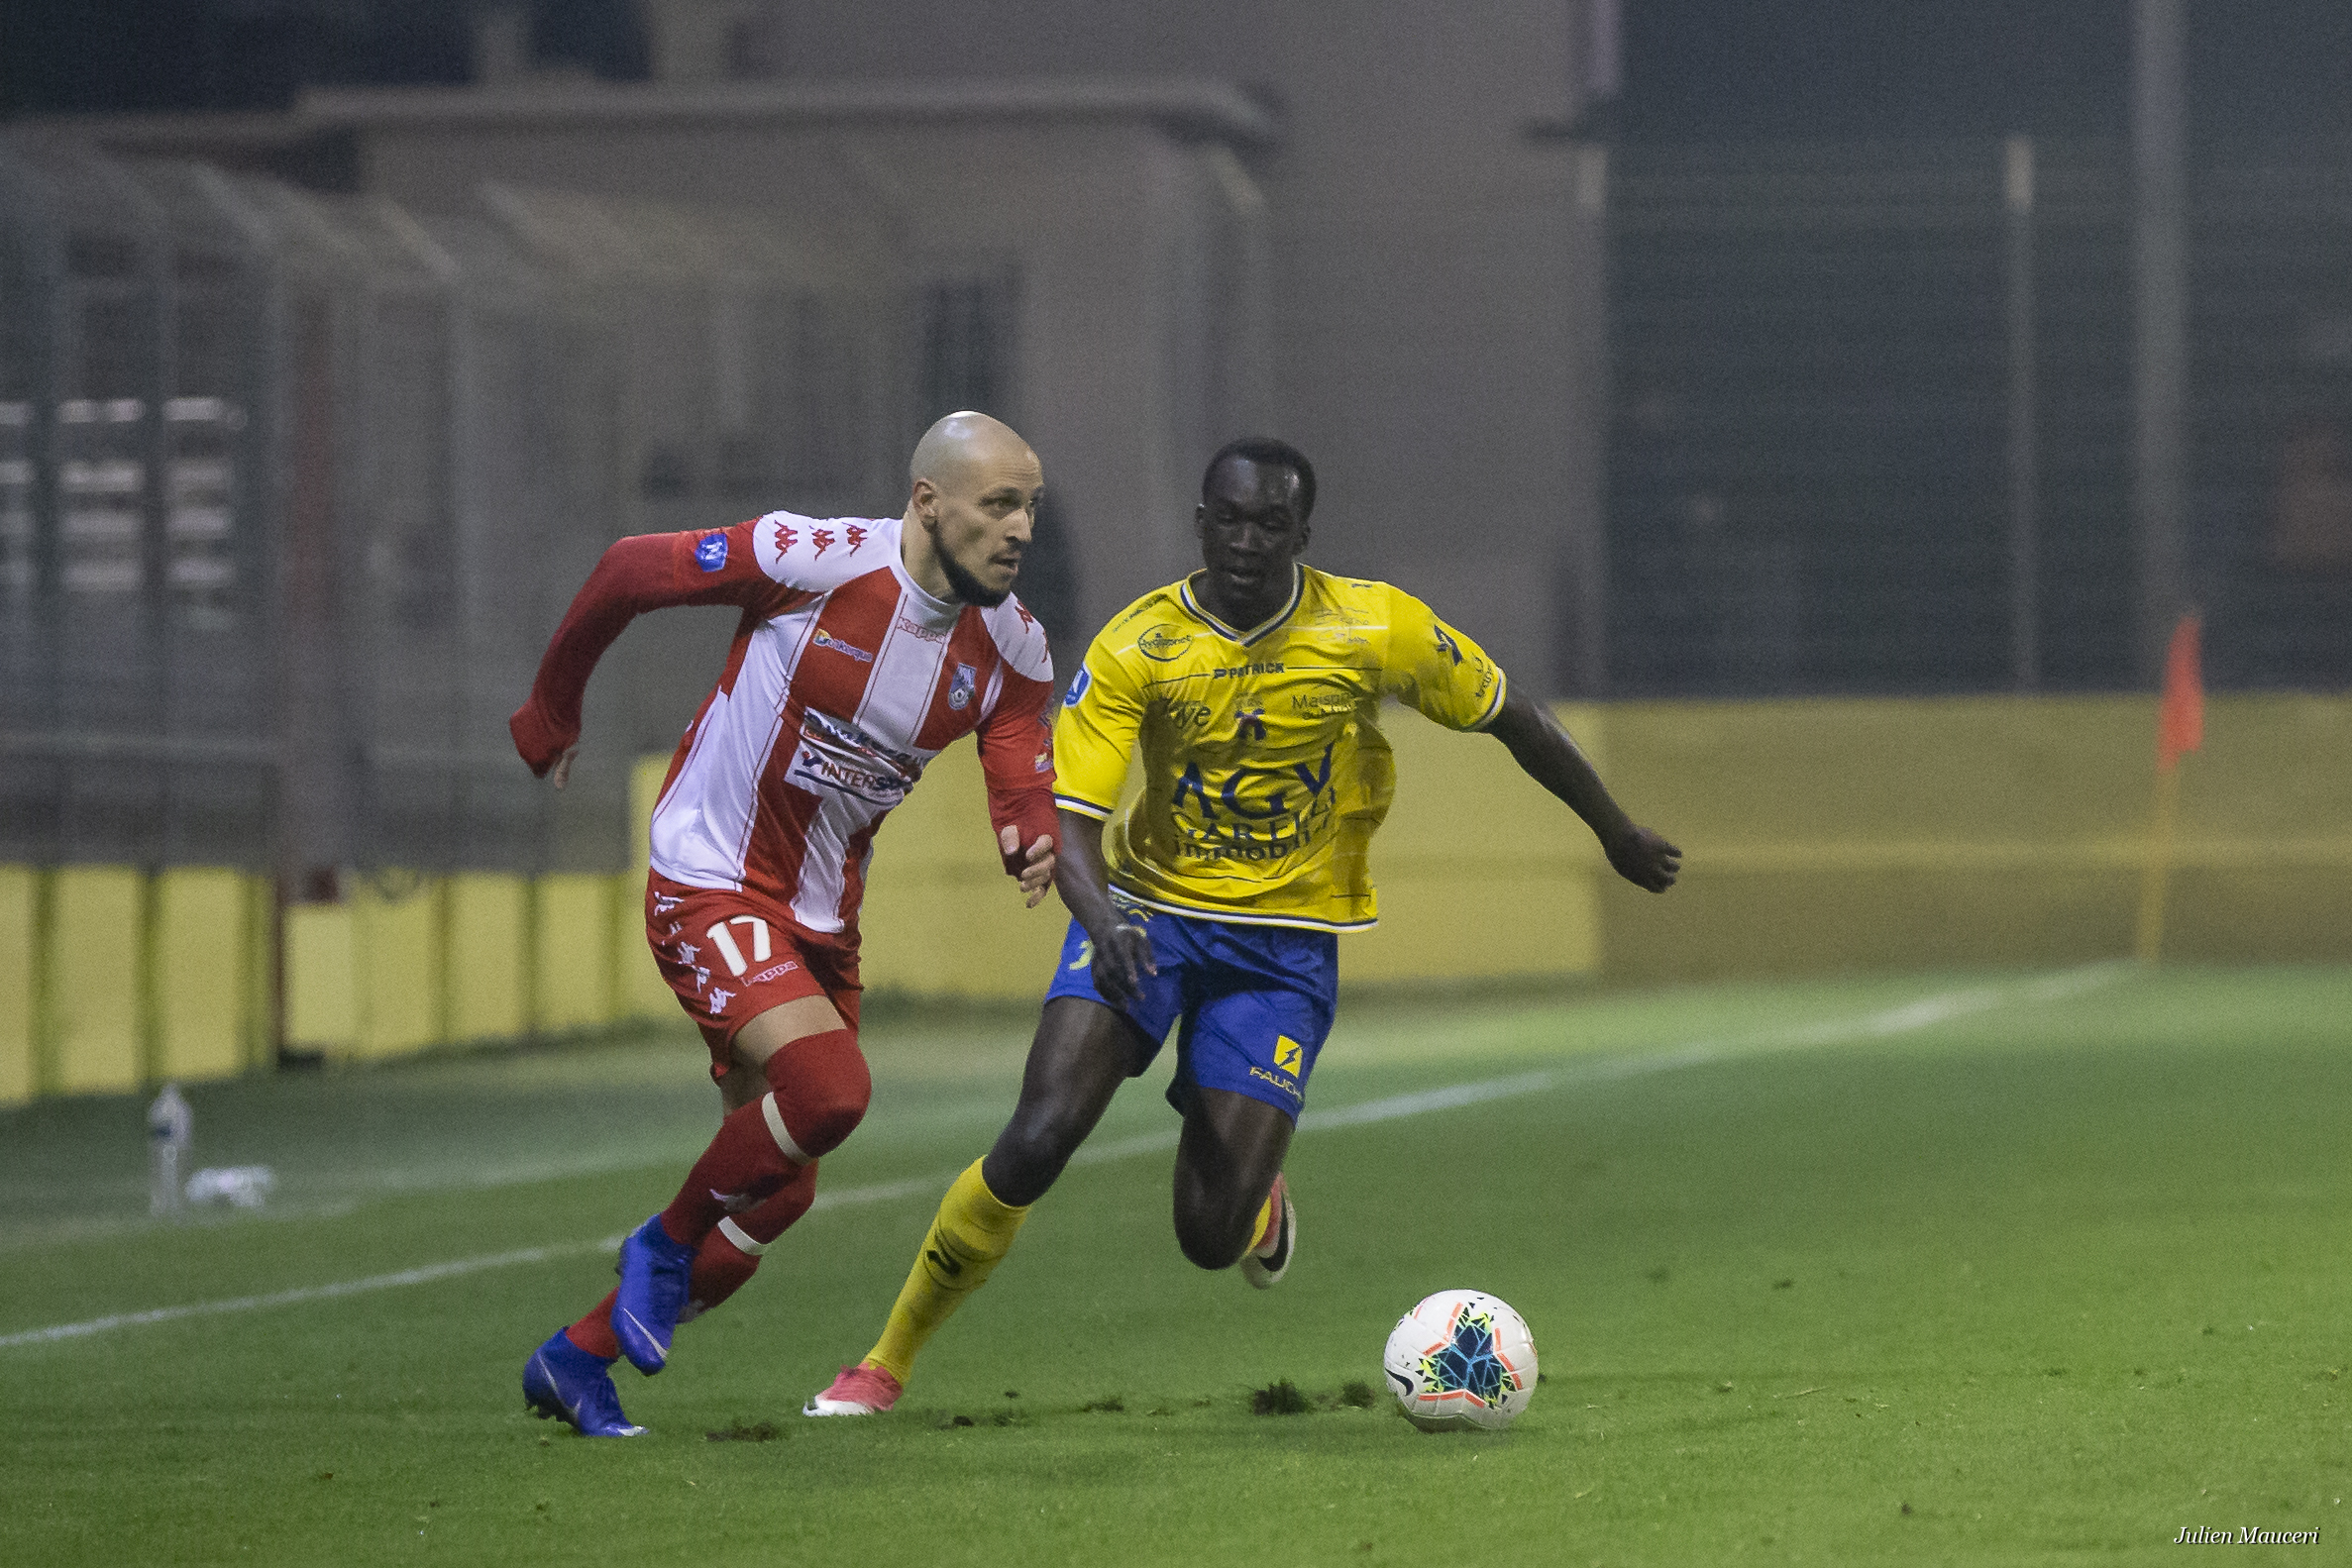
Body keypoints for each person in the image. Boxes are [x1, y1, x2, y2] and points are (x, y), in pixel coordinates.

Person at [803, 436, 1679, 1416]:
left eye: (1271, 523)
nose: (1248, 541)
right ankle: (883, 1361)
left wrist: (1615, 830)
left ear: (1302, 533)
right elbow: (1073, 820)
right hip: (1147, 918)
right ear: (1201, 524)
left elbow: (1511, 713)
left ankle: (1257, 1200)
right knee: (1040, 1133)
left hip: (1283, 950)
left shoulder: (1374, 626)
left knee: (1208, 1235)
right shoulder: (1140, 643)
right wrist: (1104, 919)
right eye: (1230, 520)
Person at [510, 412, 1062, 1436]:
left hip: (820, 922)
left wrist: (1027, 826)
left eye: (1029, 506)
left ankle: (573, 1358)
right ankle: (663, 1239)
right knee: (829, 1091)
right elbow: (630, 570)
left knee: (779, 1196)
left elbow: (1019, 739)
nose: (1020, 528)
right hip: (709, 878)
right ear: (927, 501)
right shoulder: (813, 559)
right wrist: (552, 709)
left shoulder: (1013, 646)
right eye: (998, 504)